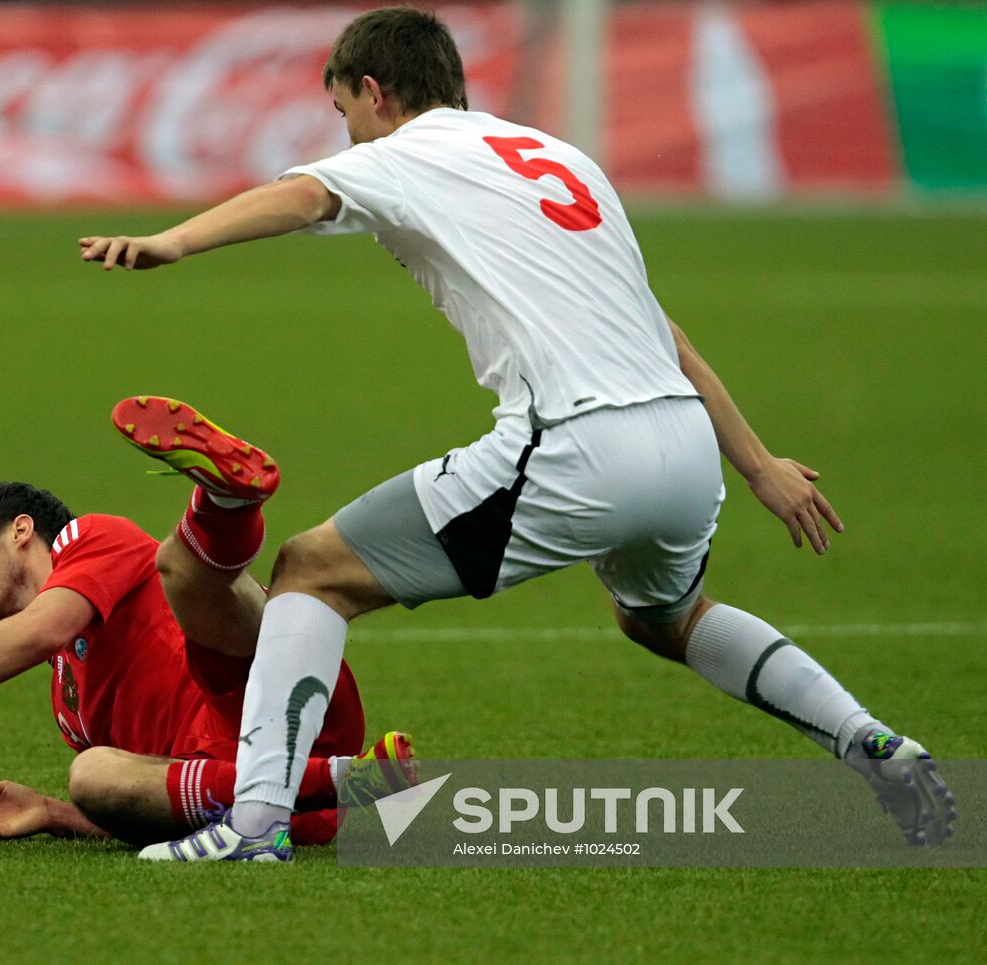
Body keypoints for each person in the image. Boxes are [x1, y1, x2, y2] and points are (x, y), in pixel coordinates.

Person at [79, 7, 956, 861]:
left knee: (312, 570)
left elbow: (304, 195)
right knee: (667, 616)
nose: (346, 133)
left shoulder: (406, 153)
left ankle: (256, 822)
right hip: (684, 446)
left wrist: (175, 242)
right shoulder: (563, 158)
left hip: (575, 445)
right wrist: (759, 465)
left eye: (343, 110)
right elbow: (665, 332)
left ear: (375, 93)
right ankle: (871, 742)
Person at [0, 396, 417, 848]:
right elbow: (140, 799)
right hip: (265, 797)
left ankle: (225, 501)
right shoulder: (68, 701)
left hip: (276, 697)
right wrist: (53, 812)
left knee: (185, 574)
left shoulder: (90, 538)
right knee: (91, 772)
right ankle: (348, 782)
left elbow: (43, 628)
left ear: (21, 530)